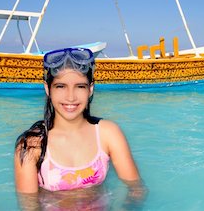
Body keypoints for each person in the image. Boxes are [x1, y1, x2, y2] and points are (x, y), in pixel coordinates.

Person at [14, 47, 145, 209]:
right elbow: (29, 206)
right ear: (48, 89)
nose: (70, 97)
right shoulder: (32, 144)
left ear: (90, 89)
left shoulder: (108, 133)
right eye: (61, 86)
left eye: (80, 86)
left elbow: (136, 190)